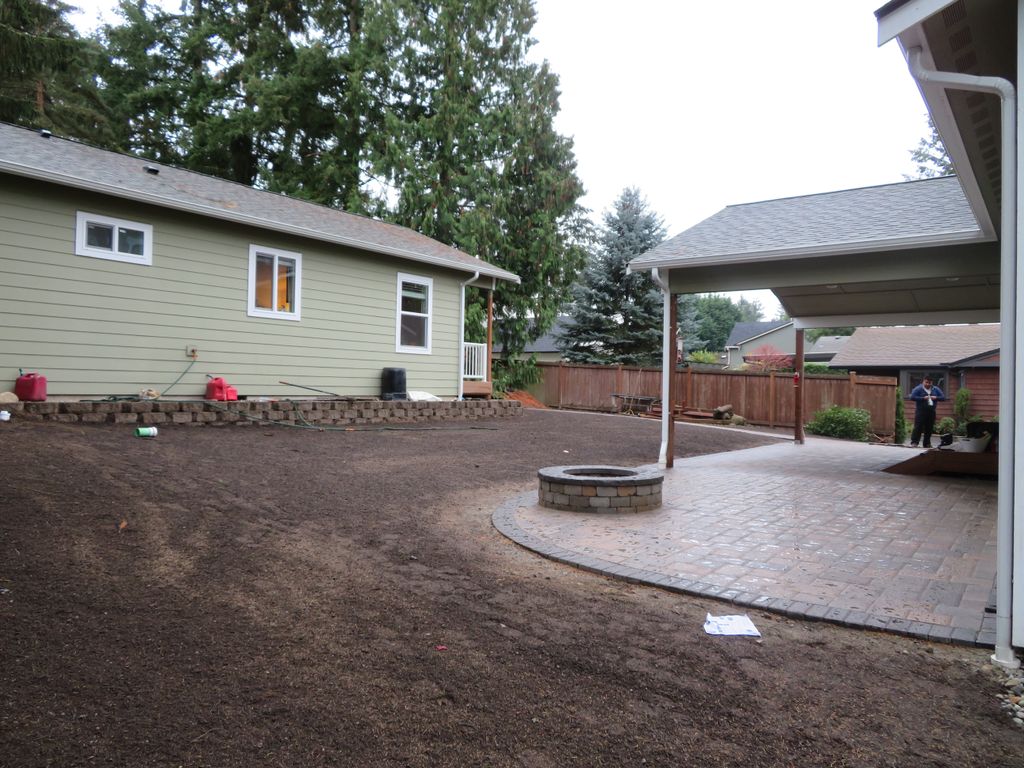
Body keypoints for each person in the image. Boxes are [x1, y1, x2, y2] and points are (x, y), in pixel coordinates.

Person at [908, 376, 945, 448]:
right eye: (926, 382)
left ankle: (927, 443)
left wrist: (936, 397)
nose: (928, 384)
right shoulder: (918, 389)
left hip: (931, 411)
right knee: (918, 427)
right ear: (923, 382)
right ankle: (914, 442)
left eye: (929, 383)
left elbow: (943, 397)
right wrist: (923, 398)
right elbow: (912, 397)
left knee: (929, 428)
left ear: (932, 383)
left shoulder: (935, 389)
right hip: (920, 411)